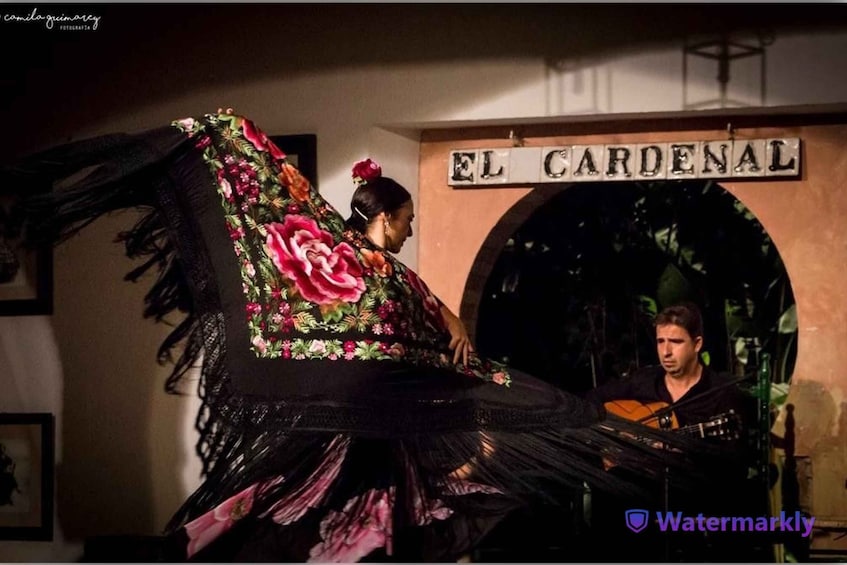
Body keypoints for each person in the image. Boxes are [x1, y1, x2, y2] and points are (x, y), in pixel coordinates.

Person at [9, 111, 725, 562]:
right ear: (383, 217)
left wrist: (450, 329)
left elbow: (434, 315)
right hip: (354, 431)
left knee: (391, 522)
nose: (411, 230)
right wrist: (216, 132)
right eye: (407, 220)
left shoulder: (394, 276)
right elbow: (309, 252)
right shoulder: (342, 258)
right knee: (294, 523)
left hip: (392, 436)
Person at [584, 302, 760, 562]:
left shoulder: (723, 393)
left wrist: (682, 450)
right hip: (640, 500)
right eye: (660, 341)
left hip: (695, 505)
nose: (665, 352)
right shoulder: (643, 383)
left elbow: (737, 461)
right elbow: (591, 400)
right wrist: (613, 437)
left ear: (697, 344)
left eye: (676, 342)